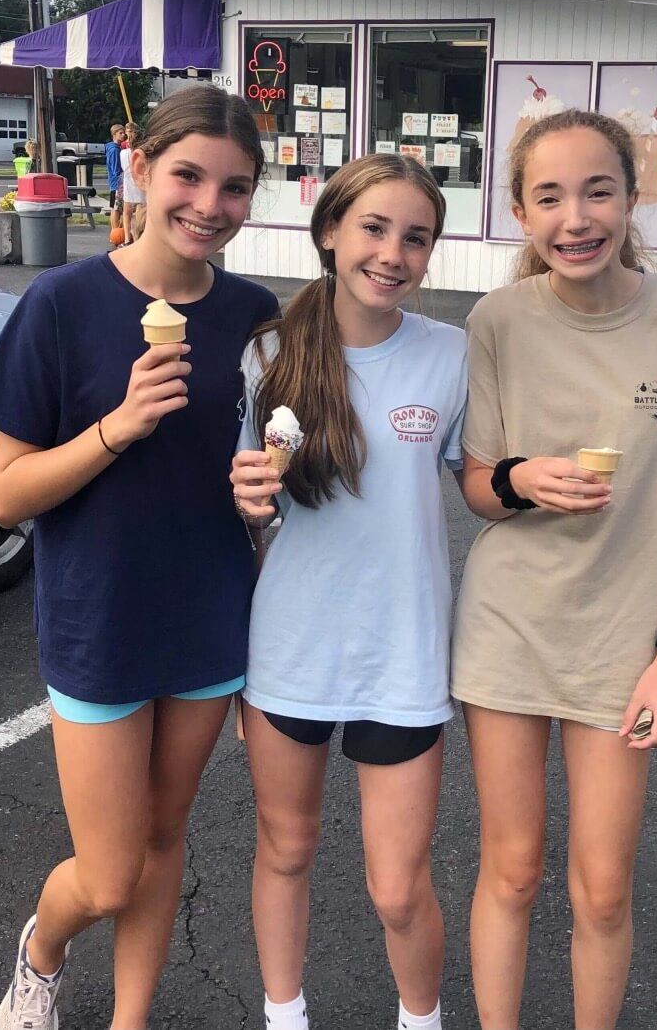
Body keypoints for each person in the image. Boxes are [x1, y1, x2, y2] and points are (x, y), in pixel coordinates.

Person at [0, 85, 278, 1030]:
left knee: (165, 834)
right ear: (139, 166)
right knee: (107, 872)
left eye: (235, 187)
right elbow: (6, 496)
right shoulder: (62, 304)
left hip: (210, 614)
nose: (209, 206)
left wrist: (270, 489)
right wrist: (119, 427)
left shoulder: (258, 314)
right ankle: (43, 949)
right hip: (98, 619)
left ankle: (129, 1020)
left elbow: (271, 455)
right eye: (188, 175)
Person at [451, 108, 657, 1030]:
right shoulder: (498, 320)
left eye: (597, 190)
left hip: (624, 646)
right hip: (508, 630)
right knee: (509, 873)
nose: (575, 217)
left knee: (601, 891)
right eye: (548, 196)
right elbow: (476, 485)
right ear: (519, 211)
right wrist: (521, 479)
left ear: (633, 198)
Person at [230, 153, 467, 1030]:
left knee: (399, 887)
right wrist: (248, 501)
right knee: (285, 849)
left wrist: (526, 479)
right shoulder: (268, 355)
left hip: (403, 653)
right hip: (289, 646)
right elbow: (249, 505)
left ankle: (422, 1019)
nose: (393, 253)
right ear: (330, 231)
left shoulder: (452, 355)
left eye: (417, 237)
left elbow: (477, 482)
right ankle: (283, 1015)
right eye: (374, 228)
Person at [120, 121, 147, 244]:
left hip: (132, 181)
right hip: (135, 181)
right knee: (135, 210)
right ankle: (134, 237)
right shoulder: (127, 153)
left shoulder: (124, 153)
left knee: (130, 211)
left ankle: (129, 237)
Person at [105, 123, 125, 231]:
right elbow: (115, 168)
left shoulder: (117, 148)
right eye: (120, 133)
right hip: (116, 183)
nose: (123, 135)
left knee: (115, 208)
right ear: (114, 134)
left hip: (116, 183)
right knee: (116, 209)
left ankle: (115, 230)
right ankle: (115, 230)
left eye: (123, 133)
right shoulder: (114, 150)